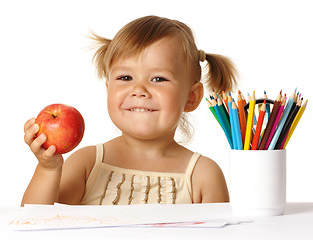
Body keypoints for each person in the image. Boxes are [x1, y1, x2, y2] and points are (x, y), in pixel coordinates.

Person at [21, 15, 237, 206]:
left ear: (191, 97)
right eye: (125, 78)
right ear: (108, 89)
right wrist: (48, 169)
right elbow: (34, 222)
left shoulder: (203, 175)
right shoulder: (88, 163)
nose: (139, 90)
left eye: (158, 79)